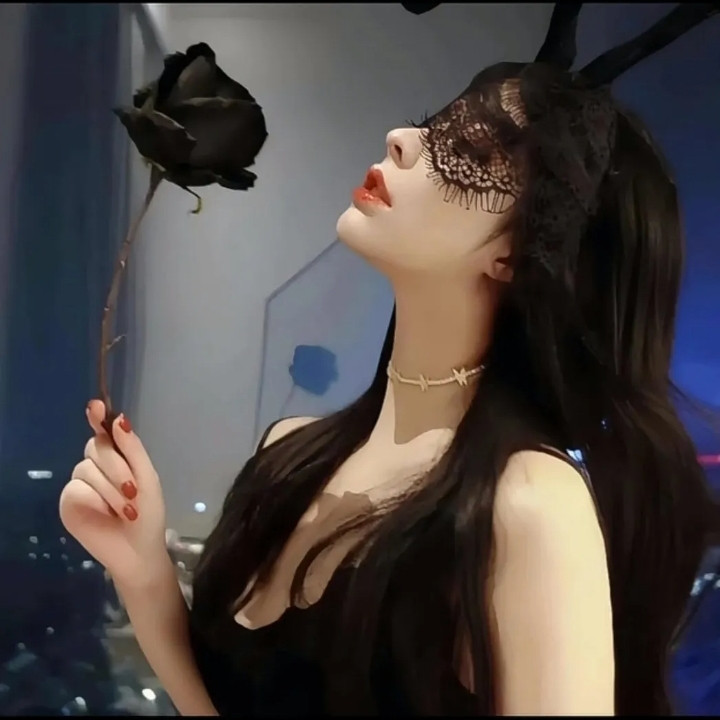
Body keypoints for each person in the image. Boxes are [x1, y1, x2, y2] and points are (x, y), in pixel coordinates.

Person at [59, 4, 720, 716]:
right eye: (433, 125)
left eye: (467, 152)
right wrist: (142, 570)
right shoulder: (287, 458)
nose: (402, 140)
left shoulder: (526, 505)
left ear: (519, 253)